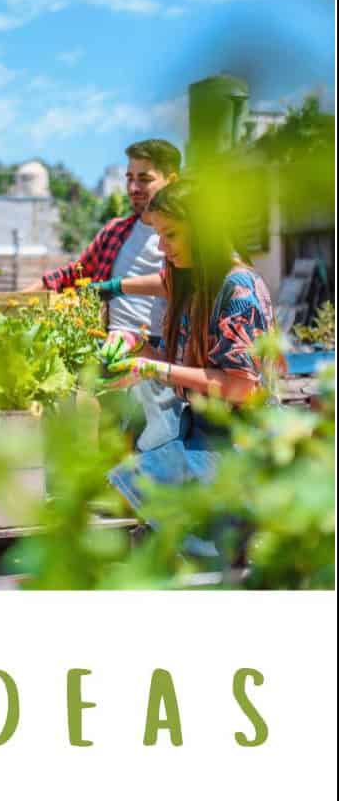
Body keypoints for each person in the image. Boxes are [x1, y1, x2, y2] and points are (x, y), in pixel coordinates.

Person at [106, 176, 275, 544]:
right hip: (201, 432)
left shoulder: (239, 289)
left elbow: (243, 388)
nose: (163, 248)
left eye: (172, 235)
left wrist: (155, 367)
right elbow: (182, 365)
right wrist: (136, 348)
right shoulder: (193, 282)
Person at [25, 138, 182, 449]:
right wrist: (20, 297)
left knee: (145, 441)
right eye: (130, 178)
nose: (134, 188)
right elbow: (74, 274)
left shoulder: (184, 236)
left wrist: (116, 288)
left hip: (158, 351)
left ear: (171, 180)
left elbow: (189, 281)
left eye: (145, 178)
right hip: (111, 344)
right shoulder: (116, 231)